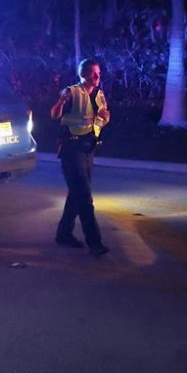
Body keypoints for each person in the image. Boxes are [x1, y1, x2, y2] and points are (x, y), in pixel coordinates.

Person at [50, 58, 110, 257]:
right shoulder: (72, 92)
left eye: (99, 73)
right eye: (93, 73)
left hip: (87, 149)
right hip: (71, 149)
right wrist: (61, 102)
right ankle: (95, 243)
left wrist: (103, 119)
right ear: (83, 74)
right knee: (84, 198)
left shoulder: (99, 94)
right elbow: (54, 113)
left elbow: (103, 116)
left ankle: (64, 234)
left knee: (76, 194)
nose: (97, 76)